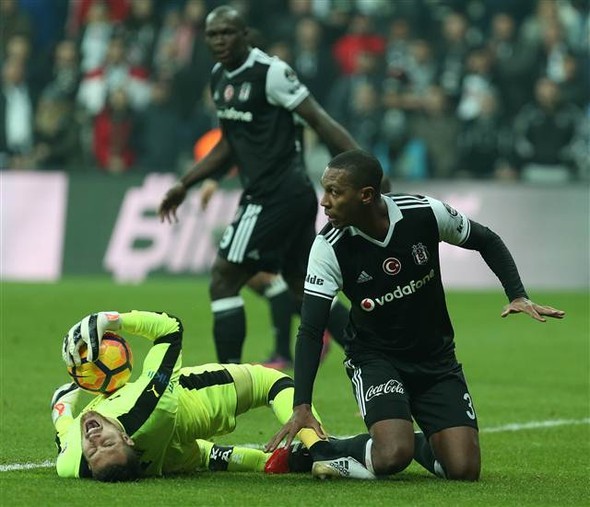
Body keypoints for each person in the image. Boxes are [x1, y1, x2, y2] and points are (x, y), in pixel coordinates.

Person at [267, 149, 565, 481]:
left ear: (366, 196)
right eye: (324, 190)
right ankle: (320, 452)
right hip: (376, 358)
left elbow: (487, 240)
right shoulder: (329, 247)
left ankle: (414, 442)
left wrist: (517, 294)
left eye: (334, 192)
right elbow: (311, 330)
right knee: (393, 456)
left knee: (464, 470)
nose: (324, 201)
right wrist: (302, 405)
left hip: (436, 358)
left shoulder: (423, 213)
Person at [158, 5, 358, 365]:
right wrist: (185, 183)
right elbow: (228, 144)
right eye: (213, 34)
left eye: (227, 32)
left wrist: (362, 166)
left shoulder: (271, 73)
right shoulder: (220, 76)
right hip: (285, 195)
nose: (220, 40)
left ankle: (228, 381)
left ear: (245, 34)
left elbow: (320, 120)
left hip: (274, 194)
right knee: (303, 289)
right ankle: (369, 354)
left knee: (223, 279)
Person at [53, 310, 374, 481]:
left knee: (204, 457)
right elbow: (169, 329)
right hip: (201, 401)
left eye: (94, 450)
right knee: (274, 383)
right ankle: (323, 450)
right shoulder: (148, 407)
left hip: (168, 453)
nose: (94, 441)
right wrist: (111, 320)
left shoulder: (73, 462)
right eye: (105, 445)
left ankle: (285, 460)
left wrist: (65, 397)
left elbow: (63, 425)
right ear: (128, 439)